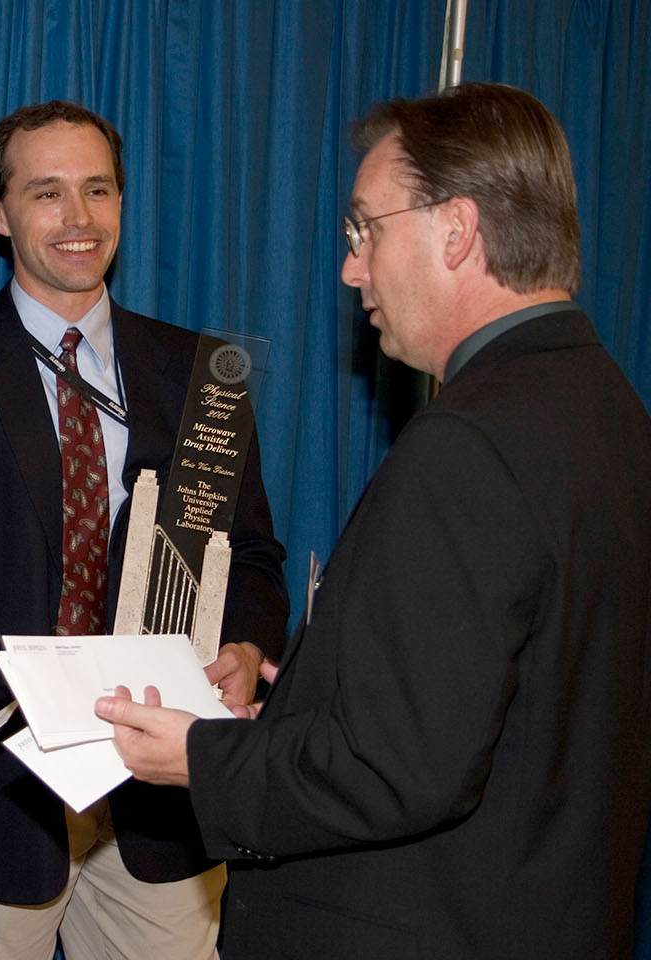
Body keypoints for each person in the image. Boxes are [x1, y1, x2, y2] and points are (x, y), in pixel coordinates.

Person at [96, 82, 651, 958]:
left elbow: (399, 768)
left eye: (364, 230)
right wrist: (304, 705)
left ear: (456, 230)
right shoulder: (609, 409)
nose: (352, 268)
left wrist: (200, 760)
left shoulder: (467, 442)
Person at [0, 101, 288, 959]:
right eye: (46, 193)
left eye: (98, 190)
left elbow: (256, 560)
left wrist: (242, 647)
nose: (78, 218)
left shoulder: (204, 377)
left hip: (165, 802)